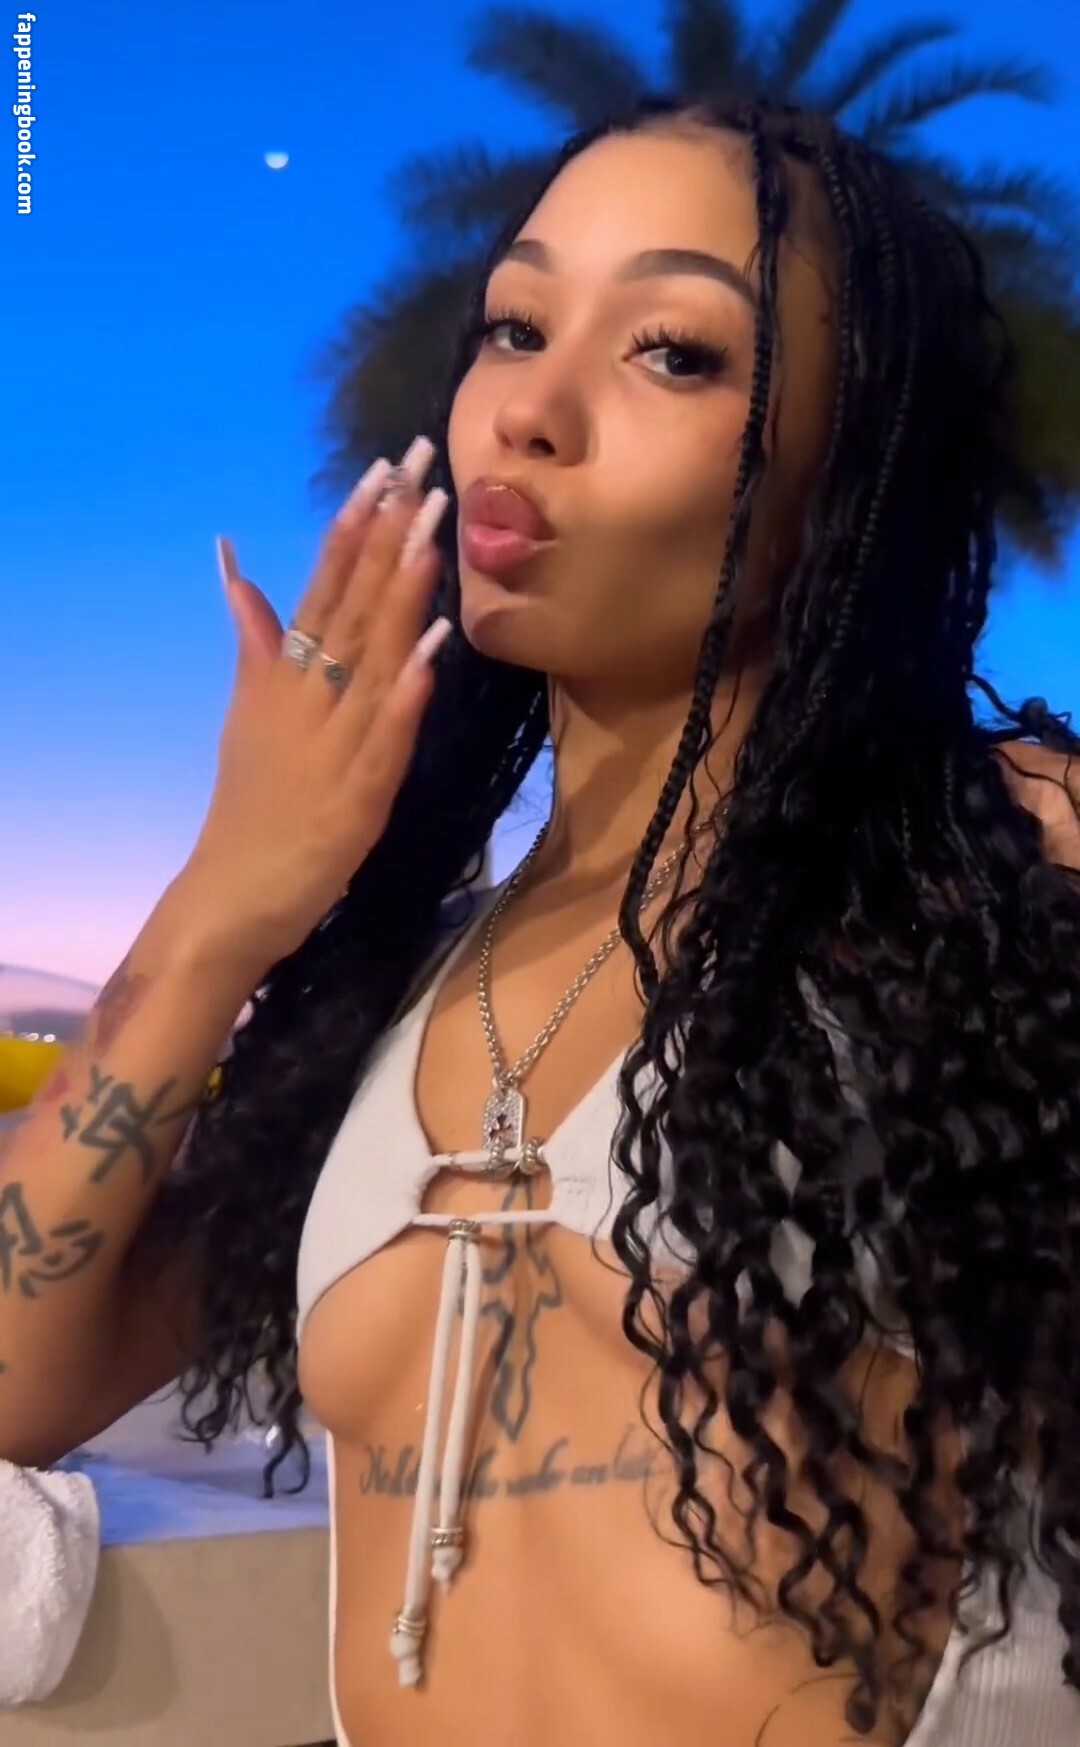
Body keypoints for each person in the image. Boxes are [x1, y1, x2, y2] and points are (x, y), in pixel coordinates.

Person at [1, 94, 1078, 1747]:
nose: (530, 413)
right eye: (515, 327)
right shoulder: (401, 986)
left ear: (849, 468)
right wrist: (229, 895)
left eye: (674, 353)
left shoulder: (1009, 881)